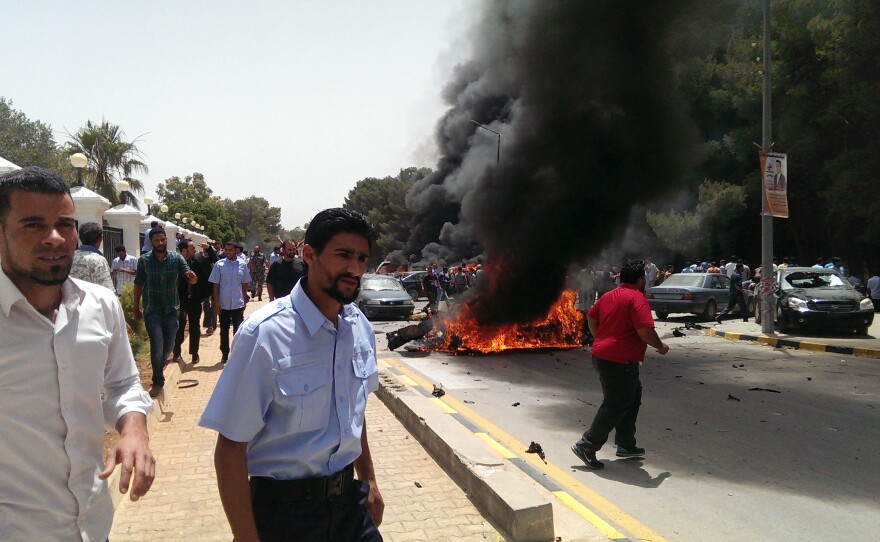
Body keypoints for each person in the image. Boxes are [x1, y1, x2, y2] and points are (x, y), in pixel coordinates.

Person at [199, 208, 384, 542]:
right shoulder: (264, 334)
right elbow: (229, 448)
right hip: (285, 515)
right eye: (343, 255)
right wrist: (246, 537)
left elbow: (354, 412)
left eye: (362, 258)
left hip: (350, 507)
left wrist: (369, 480)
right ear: (309, 255)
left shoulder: (359, 327)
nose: (355, 268)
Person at [0, 167, 154, 540]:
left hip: (94, 521)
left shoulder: (99, 304)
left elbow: (122, 382)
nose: (55, 238)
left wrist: (134, 429)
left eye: (65, 224)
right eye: (33, 225)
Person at [571, 260, 669, 470]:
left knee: (633, 395)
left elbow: (591, 317)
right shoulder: (637, 298)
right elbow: (645, 331)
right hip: (619, 360)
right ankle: (587, 445)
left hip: (604, 356)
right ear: (641, 280)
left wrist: (601, 339)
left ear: (621, 277)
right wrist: (660, 346)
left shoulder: (608, 295)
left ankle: (625, 444)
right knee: (616, 403)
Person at [133, 227, 197, 397]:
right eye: (156, 240)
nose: (160, 243)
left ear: (166, 240)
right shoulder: (144, 261)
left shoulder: (176, 258)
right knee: (157, 345)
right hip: (152, 310)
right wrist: (135, 307)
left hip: (171, 310)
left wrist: (192, 277)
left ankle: (158, 366)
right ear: (151, 242)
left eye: (162, 240)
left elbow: (189, 274)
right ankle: (157, 381)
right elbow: (138, 284)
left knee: (168, 346)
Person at [172, 239, 215, 364]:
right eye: (192, 248)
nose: (195, 250)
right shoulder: (175, 263)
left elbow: (215, 261)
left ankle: (194, 353)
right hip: (180, 300)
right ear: (184, 250)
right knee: (179, 326)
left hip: (195, 300)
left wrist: (209, 249)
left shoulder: (198, 260)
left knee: (195, 327)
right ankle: (177, 351)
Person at [209, 241, 251, 363]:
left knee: (238, 330)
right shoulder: (219, 265)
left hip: (238, 303)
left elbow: (245, 283)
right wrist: (216, 302)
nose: (227, 252)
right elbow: (215, 285)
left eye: (230, 250)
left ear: (236, 250)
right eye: (226, 250)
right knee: (224, 330)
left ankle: (236, 354)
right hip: (223, 304)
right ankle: (225, 353)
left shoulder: (242, 265)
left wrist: (244, 299)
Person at [70, 221, 115, 291]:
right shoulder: (98, 260)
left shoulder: (70, 257)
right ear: (101, 238)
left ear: (79, 237)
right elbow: (107, 291)